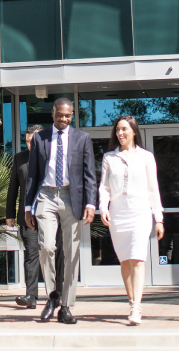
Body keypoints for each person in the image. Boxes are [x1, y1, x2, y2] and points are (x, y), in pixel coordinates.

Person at [24, 98, 97, 324]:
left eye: (68, 115)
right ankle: (52, 296)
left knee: (71, 252)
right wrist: (28, 206)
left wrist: (90, 204)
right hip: (46, 195)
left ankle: (66, 305)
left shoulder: (82, 138)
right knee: (46, 246)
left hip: (71, 197)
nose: (64, 119)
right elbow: (33, 175)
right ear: (53, 114)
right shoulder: (39, 138)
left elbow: (89, 174)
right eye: (60, 115)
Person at [98, 115, 164, 325]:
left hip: (140, 210)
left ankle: (137, 307)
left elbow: (153, 188)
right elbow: (104, 187)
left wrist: (159, 217)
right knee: (125, 260)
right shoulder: (109, 157)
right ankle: (131, 300)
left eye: (125, 129)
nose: (121, 133)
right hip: (118, 212)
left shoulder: (146, 157)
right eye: (118, 130)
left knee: (137, 258)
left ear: (134, 131)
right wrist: (103, 207)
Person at [6, 125, 44, 309]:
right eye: (27, 141)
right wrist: (10, 214)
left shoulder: (51, 158)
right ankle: (31, 295)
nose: (30, 145)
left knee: (54, 253)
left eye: (33, 141)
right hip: (27, 216)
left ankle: (58, 294)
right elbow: (13, 187)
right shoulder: (20, 158)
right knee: (31, 254)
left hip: (50, 214)